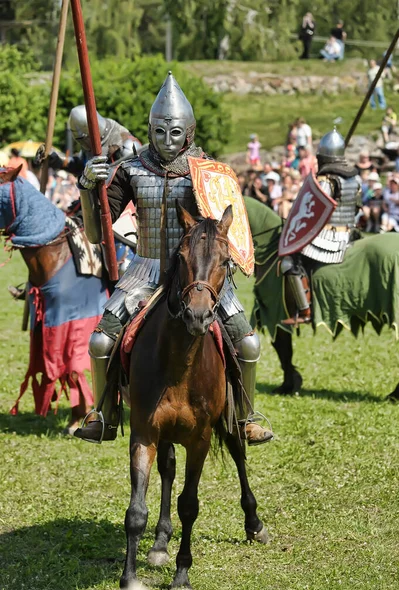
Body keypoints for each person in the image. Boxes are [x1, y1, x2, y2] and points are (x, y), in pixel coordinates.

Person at [73, 71, 272, 446]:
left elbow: (222, 232)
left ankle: (245, 418)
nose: (167, 140)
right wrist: (88, 187)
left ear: (189, 132)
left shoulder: (208, 174)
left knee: (247, 344)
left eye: (175, 133)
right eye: (160, 132)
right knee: (101, 343)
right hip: (145, 269)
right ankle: (105, 414)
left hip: (198, 271)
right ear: (149, 130)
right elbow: (97, 233)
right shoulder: (130, 170)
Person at [280, 127, 361, 324]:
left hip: (330, 238)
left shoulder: (326, 180)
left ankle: (305, 311)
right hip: (351, 233)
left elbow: (315, 214)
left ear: (322, 157)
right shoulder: (353, 178)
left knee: (289, 261)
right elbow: (357, 208)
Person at [35, 105, 142, 177]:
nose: (82, 143)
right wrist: (58, 160)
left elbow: (137, 185)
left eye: (83, 139)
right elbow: (81, 165)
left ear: (89, 134)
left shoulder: (126, 146)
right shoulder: (91, 144)